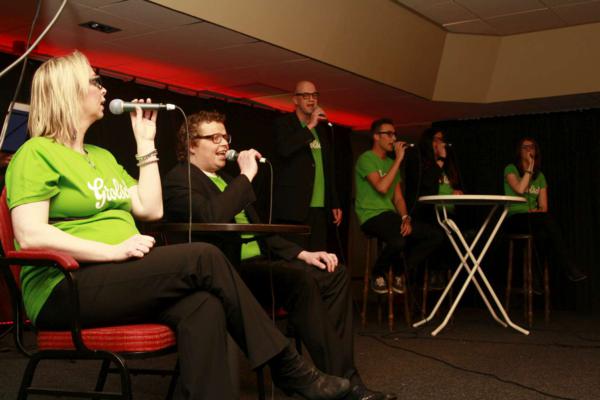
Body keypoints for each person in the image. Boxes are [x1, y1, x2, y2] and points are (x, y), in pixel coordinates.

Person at [5, 50, 350, 400]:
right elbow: (31, 235)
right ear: (68, 92)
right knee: (203, 256)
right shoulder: (36, 152)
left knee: (204, 305)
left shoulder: (102, 157)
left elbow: (150, 208)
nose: (103, 88)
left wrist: (145, 144)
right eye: (94, 81)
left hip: (115, 275)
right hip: (63, 287)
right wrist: (112, 251)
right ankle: (289, 368)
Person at [163, 110, 396, 400]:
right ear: (191, 145)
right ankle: (326, 382)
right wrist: (246, 176)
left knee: (333, 274)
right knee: (300, 281)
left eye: (225, 136)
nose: (224, 143)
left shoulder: (226, 179)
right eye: (215, 138)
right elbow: (212, 215)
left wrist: (303, 253)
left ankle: (344, 378)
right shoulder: (180, 180)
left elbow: (260, 230)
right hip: (226, 273)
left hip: (258, 266)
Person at [355, 118, 444, 294]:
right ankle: (378, 272)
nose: (394, 138)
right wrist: (398, 160)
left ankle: (399, 271)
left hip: (390, 216)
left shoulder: (390, 163)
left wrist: (405, 218)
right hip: (370, 216)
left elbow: (398, 199)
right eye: (388, 134)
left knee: (435, 235)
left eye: (394, 134)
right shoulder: (366, 158)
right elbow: (381, 187)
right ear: (376, 137)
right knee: (398, 240)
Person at [503, 137, 586, 284]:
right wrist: (529, 167)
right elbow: (520, 189)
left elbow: (543, 206)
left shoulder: (540, 177)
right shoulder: (511, 169)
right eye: (525, 147)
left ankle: (536, 280)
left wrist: (538, 211)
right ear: (519, 152)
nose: (529, 150)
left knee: (543, 235)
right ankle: (569, 267)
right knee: (545, 222)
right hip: (516, 218)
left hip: (534, 218)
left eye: (532, 147)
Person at [272, 80, 342, 251]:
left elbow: (328, 168)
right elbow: (285, 150)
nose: (311, 99)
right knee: (297, 259)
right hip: (295, 208)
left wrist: (334, 202)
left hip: (320, 207)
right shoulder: (284, 124)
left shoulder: (322, 130)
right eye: (306, 95)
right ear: (295, 100)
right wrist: (310, 126)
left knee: (319, 257)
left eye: (314, 95)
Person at [404, 128, 463, 289]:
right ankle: (428, 273)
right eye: (437, 139)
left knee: (459, 236)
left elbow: (453, 185)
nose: (440, 143)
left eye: (442, 139)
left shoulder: (447, 166)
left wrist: (456, 191)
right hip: (428, 214)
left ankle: (446, 277)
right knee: (439, 235)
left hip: (449, 214)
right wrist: (441, 159)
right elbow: (428, 184)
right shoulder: (421, 162)